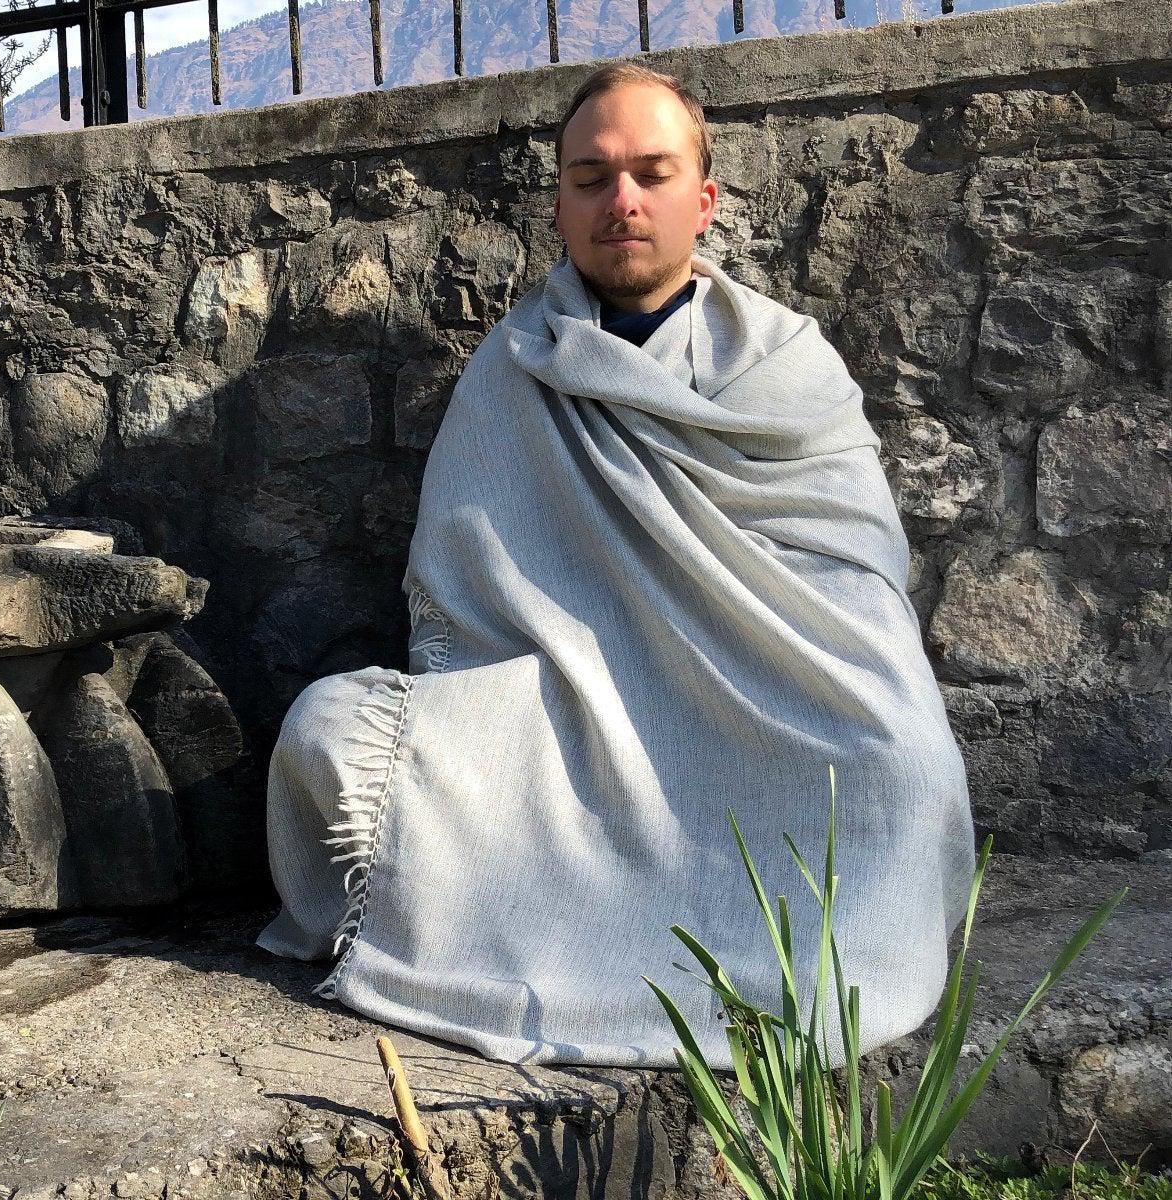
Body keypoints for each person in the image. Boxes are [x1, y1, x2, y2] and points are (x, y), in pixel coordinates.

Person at [256, 62, 977, 1068]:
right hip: (562, 727)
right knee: (327, 731)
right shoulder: (512, 372)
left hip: (761, 715)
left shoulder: (786, 368)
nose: (621, 200)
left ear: (703, 198)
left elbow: (849, 597)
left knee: (908, 768)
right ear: (558, 203)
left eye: (650, 171)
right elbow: (465, 617)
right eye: (590, 177)